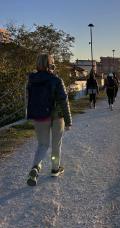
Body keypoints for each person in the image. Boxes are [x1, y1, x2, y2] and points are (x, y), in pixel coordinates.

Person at [26, 53, 72, 186]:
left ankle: (35, 167)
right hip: (57, 117)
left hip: (40, 116)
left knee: (42, 145)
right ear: (50, 64)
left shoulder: (32, 79)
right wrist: (68, 121)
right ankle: (54, 169)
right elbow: (64, 101)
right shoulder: (56, 80)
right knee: (56, 144)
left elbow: (30, 99)